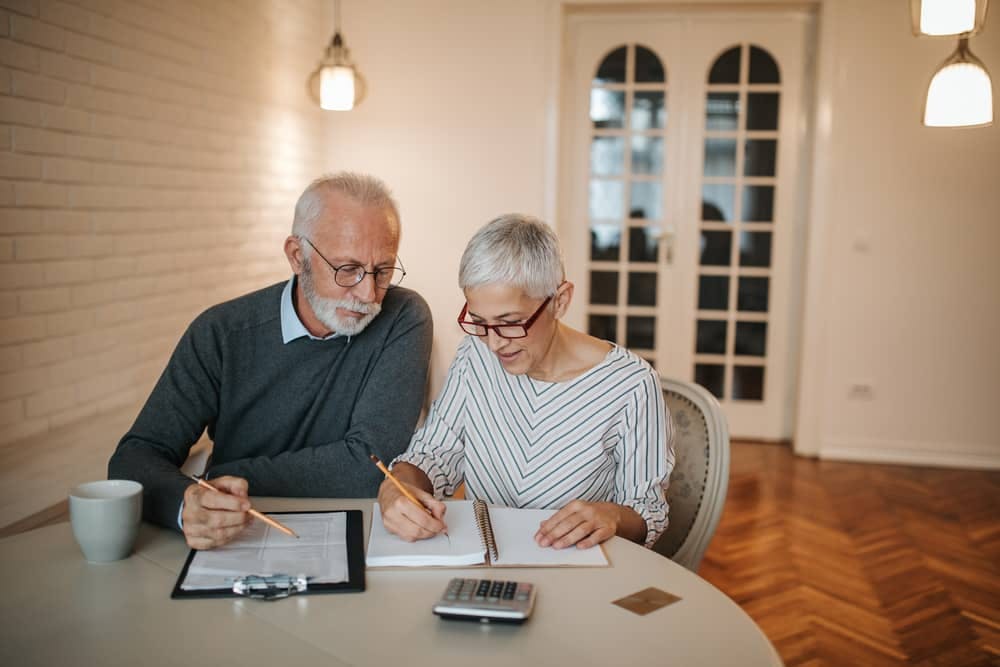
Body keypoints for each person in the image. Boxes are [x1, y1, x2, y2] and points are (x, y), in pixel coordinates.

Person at [109, 172, 433, 550]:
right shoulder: (221, 332)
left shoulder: (403, 316)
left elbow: (370, 467)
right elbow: (133, 459)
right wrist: (188, 503)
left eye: (383, 271)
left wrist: (225, 474)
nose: (368, 293)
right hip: (237, 537)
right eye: (348, 269)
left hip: (361, 535)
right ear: (298, 256)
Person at [378, 214, 673, 550]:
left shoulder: (632, 385)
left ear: (560, 300)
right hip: (484, 566)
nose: (494, 343)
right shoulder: (475, 355)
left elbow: (648, 511)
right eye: (479, 322)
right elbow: (434, 453)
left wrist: (612, 516)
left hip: (576, 571)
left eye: (510, 323)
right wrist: (397, 484)